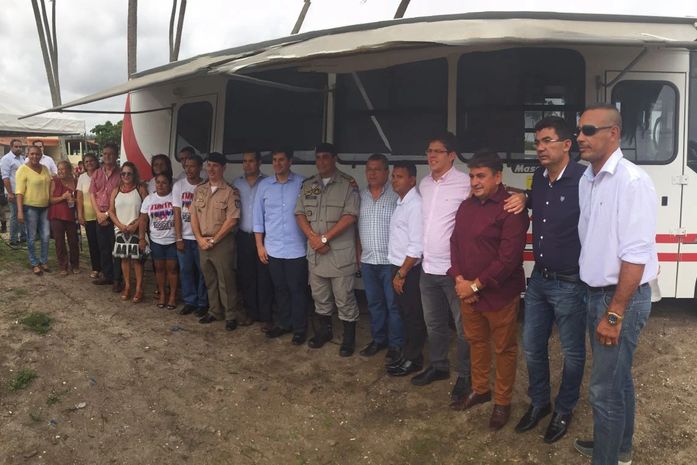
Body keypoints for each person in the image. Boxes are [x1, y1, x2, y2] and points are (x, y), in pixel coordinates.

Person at [572, 104, 658, 465]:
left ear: (614, 133)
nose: (580, 137)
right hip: (596, 294)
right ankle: (620, 447)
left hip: (619, 299)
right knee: (617, 379)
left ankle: (607, 459)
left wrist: (615, 312)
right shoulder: (586, 179)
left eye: (589, 130)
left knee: (603, 389)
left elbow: (636, 254)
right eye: (579, 130)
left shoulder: (632, 181)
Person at [503, 117, 587, 443]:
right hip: (538, 280)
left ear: (567, 145)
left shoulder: (584, 179)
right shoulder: (538, 177)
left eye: (547, 140)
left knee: (572, 352)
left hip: (571, 283)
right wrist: (524, 199)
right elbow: (537, 202)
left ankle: (564, 409)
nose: (539, 147)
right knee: (533, 346)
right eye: (537, 141)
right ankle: (539, 403)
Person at [447, 150, 529, 431]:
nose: (475, 182)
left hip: (499, 295)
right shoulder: (465, 207)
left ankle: (502, 402)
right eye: (471, 176)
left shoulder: (511, 209)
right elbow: (454, 244)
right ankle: (481, 390)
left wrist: (475, 284)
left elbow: (508, 259)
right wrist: (459, 279)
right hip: (467, 292)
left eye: (481, 176)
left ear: (498, 177)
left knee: (504, 348)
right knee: (476, 342)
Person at [413, 132, 472, 406]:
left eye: (438, 151)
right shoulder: (424, 184)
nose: (431, 156)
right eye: (429, 150)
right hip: (428, 267)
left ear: (451, 155)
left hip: (454, 270)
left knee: (463, 327)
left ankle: (465, 374)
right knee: (434, 323)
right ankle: (438, 366)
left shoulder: (465, 183)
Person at [295, 142, 360, 357]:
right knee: (320, 297)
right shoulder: (309, 184)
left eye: (325, 157)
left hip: (339, 254)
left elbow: (350, 216)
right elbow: (300, 214)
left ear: (334, 158)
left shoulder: (347, 184)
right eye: (318, 157)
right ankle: (324, 332)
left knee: (344, 298)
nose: (321, 161)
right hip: (316, 254)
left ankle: (349, 339)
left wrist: (324, 238)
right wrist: (313, 239)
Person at [253, 148, 309, 344]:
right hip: (273, 248)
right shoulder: (264, 186)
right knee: (280, 289)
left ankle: (300, 328)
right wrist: (260, 246)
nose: (277, 163)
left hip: (297, 249)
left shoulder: (303, 183)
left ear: (290, 161)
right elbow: (257, 219)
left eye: (281, 160)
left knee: (297, 289)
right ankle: (285, 323)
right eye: (274, 160)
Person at [190, 152, 248, 330]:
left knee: (226, 280)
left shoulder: (231, 192)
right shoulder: (200, 190)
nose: (211, 169)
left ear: (224, 168)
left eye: (215, 165)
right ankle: (215, 311)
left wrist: (214, 240)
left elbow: (232, 219)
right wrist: (199, 238)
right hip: (203, 242)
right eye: (209, 165)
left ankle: (231, 315)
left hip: (222, 243)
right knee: (210, 279)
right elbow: (193, 216)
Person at [357, 153, 402, 364]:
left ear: (387, 172)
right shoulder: (361, 196)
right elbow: (357, 229)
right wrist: (359, 254)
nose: (372, 173)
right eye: (369, 169)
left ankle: (396, 345)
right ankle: (378, 339)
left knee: (393, 305)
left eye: (377, 169)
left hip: (390, 262)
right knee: (374, 303)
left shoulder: (397, 196)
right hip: (368, 261)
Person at [386, 161, 427, 377]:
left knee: (413, 315)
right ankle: (408, 354)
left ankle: (415, 359)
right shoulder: (401, 202)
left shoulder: (415, 205)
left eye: (399, 176)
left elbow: (416, 246)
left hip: (408, 270)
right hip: (398, 267)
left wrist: (401, 273)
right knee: (404, 313)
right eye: (393, 176)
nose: (394, 180)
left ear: (412, 179)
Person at [232, 150, 274, 330]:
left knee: (264, 277)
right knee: (246, 276)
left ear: (259, 163)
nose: (247, 164)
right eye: (244, 161)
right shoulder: (236, 184)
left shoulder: (268, 183)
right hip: (243, 235)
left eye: (251, 161)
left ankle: (266, 316)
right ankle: (251, 312)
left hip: (263, 236)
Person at [173, 153, 209, 316]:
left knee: (203, 271)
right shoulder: (179, 186)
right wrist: (179, 237)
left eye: (192, 166)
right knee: (185, 270)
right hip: (185, 237)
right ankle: (190, 301)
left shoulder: (206, 185)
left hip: (201, 237)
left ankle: (203, 302)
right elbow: (177, 213)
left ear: (200, 167)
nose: (188, 169)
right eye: (186, 166)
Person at [110, 162, 148, 303]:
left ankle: (139, 289)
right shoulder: (116, 190)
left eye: (129, 173)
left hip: (136, 229)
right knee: (124, 259)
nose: (126, 176)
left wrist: (136, 224)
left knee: (137, 260)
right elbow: (111, 211)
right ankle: (127, 286)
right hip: (120, 230)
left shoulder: (140, 189)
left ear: (134, 174)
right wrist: (120, 225)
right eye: (123, 173)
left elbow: (147, 210)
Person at [140, 173, 178, 309]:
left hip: (172, 240)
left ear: (169, 184)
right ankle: (162, 294)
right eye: (158, 182)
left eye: (164, 182)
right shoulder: (149, 199)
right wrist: (141, 239)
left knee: (172, 269)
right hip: (156, 241)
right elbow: (143, 220)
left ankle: (173, 296)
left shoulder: (174, 197)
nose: (160, 185)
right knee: (159, 269)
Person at [90, 143, 122, 290]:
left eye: (110, 153)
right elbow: (92, 194)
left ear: (116, 155)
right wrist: (98, 213)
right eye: (104, 153)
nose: (107, 156)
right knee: (103, 248)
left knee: (116, 248)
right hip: (99, 215)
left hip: (114, 216)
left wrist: (108, 214)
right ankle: (106, 275)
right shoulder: (96, 173)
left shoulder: (121, 174)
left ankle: (117, 279)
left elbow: (121, 196)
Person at [15, 145, 52, 275]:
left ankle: (43, 260)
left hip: (45, 207)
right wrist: (19, 211)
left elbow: (51, 185)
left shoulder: (46, 169)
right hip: (30, 208)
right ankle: (34, 263)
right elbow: (19, 192)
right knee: (31, 237)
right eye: (32, 154)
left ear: (41, 155)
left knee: (46, 235)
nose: (35, 156)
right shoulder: (22, 170)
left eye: (37, 154)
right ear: (27, 155)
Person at [48, 161, 79, 276]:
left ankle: (75, 264)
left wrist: (73, 200)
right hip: (56, 215)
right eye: (59, 169)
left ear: (69, 170)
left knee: (73, 241)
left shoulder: (75, 181)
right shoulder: (54, 181)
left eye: (63, 169)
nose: (60, 171)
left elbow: (79, 199)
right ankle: (63, 266)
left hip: (70, 215)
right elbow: (50, 200)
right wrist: (62, 197)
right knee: (59, 242)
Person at [77, 153, 102, 278]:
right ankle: (96, 268)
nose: (89, 163)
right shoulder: (82, 178)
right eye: (86, 162)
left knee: (103, 244)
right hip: (88, 216)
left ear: (96, 162)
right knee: (92, 243)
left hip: (102, 215)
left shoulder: (102, 175)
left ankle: (105, 268)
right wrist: (80, 215)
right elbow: (79, 197)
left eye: (91, 161)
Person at [1, 139, 27, 245]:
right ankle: (13, 239)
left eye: (20, 147)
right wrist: (10, 193)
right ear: (11, 147)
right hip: (13, 192)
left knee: (22, 214)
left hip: (23, 192)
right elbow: (5, 177)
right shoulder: (6, 159)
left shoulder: (22, 159)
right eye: (16, 146)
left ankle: (23, 237)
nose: (18, 148)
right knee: (14, 215)